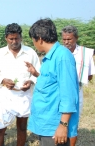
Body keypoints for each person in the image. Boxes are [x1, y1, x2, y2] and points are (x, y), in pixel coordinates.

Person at [27, 18, 79, 146]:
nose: (34, 44)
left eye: (33, 41)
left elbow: (69, 95)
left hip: (55, 126)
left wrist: (63, 125)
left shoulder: (62, 57)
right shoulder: (49, 57)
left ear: (39, 38)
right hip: (46, 124)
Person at [0, 23, 40, 146]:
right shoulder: (0, 53)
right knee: (0, 129)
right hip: (5, 95)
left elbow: (37, 71)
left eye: (16, 38)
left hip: (24, 95)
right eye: (11, 39)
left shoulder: (30, 52)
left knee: (22, 127)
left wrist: (31, 81)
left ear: (21, 37)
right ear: (6, 38)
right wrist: (3, 80)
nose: (14, 41)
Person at [61, 25, 95, 146]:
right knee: (59, 122)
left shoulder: (86, 53)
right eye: (64, 39)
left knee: (73, 123)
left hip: (76, 92)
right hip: (59, 93)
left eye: (69, 39)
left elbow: (89, 76)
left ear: (76, 38)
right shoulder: (59, 52)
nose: (66, 42)